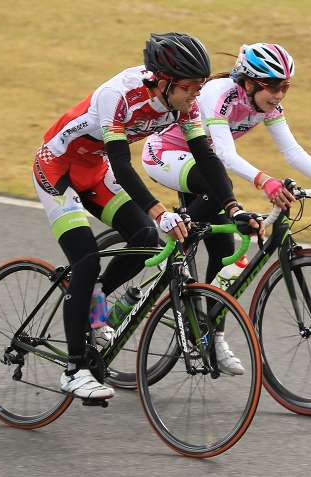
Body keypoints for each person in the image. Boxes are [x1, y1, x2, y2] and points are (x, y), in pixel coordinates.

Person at [33, 33, 264, 400]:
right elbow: (123, 166)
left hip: (94, 168)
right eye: (190, 87)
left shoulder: (183, 103)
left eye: (201, 86)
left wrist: (235, 207)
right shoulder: (119, 95)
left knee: (145, 239)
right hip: (58, 169)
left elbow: (207, 157)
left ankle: (95, 307)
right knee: (87, 260)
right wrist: (160, 211)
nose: (196, 95)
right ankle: (73, 369)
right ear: (163, 81)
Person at [141, 42, 311, 374]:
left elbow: (292, 150)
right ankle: (171, 255)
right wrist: (265, 182)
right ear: (250, 81)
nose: (280, 93)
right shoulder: (218, 94)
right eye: (273, 85)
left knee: (227, 253)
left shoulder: (268, 104)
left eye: (286, 86)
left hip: (204, 166)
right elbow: (224, 156)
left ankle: (214, 333)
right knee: (221, 194)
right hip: (166, 155)